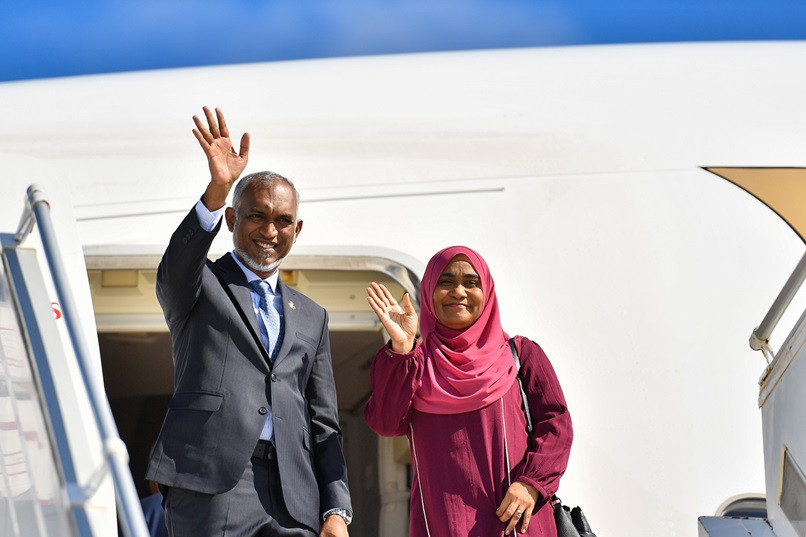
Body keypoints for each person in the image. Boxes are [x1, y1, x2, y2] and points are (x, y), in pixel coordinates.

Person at [146, 106, 352, 537]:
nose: (270, 231)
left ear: (297, 230)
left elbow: (323, 420)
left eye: (283, 221)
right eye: (257, 215)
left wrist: (336, 509)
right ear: (233, 220)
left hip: (296, 496)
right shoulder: (202, 284)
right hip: (214, 485)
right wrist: (216, 191)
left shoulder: (313, 317)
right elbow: (174, 271)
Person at [364, 246, 572, 536]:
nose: (458, 292)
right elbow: (385, 424)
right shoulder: (413, 364)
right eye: (446, 282)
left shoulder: (521, 354)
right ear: (428, 292)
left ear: (486, 292)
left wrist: (531, 484)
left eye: (471, 283)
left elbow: (556, 425)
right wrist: (402, 348)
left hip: (518, 525)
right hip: (443, 526)